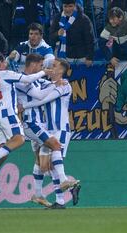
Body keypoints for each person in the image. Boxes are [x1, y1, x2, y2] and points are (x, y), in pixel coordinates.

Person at [0, 52, 53, 202]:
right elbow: (27, 79)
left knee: (4, 152)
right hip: (8, 114)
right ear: (0, 63)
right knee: (19, 140)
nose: (6, 63)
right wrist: (43, 72)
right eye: (4, 61)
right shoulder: (5, 73)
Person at [18, 58, 81, 209]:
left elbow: (43, 99)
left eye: (54, 66)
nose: (50, 67)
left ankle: (63, 186)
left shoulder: (65, 85)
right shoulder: (49, 84)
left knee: (52, 160)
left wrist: (23, 106)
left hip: (62, 129)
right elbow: (37, 89)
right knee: (44, 165)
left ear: (61, 71)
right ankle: (59, 197)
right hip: (48, 129)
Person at [49, 0, 95, 66]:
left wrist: (90, 57)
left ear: (75, 5)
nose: (68, 9)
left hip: (82, 57)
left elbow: (90, 40)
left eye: (70, 6)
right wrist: (57, 34)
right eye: (65, 6)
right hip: (64, 57)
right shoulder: (57, 18)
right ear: (62, 6)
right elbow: (51, 37)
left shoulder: (84, 19)